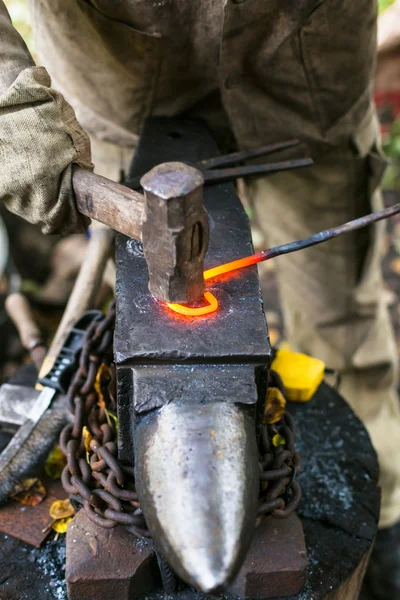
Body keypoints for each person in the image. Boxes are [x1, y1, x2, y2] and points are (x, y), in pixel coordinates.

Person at [0, 2, 399, 598]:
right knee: (127, 324)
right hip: (120, 92)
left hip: (306, 86)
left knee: (343, 318)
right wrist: (8, 108)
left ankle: (386, 512)